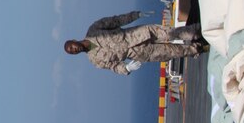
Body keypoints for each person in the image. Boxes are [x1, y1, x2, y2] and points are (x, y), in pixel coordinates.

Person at [65, 10, 204, 75]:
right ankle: (199, 48)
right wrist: (126, 69)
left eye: (71, 46)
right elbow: (114, 66)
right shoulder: (95, 60)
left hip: (140, 33)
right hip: (142, 53)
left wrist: (135, 15)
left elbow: (116, 20)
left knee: (172, 33)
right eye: (72, 52)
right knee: (175, 51)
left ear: (73, 40)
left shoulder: (94, 29)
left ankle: (199, 31)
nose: (74, 49)